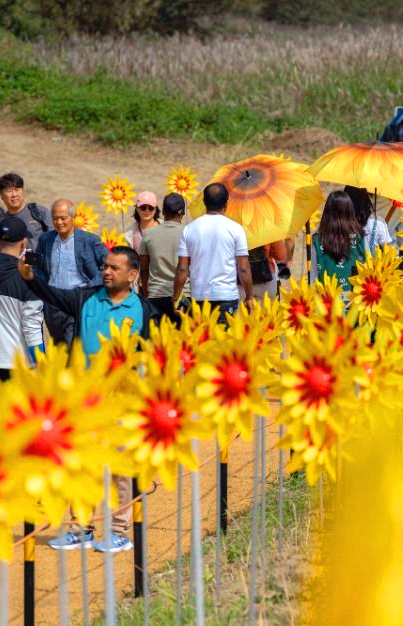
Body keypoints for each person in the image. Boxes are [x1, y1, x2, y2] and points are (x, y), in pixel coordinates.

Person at [19, 245, 153, 553]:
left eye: (114, 268)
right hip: (84, 399)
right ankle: (81, 528)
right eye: (105, 266)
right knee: (80, 465)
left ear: (132, 275)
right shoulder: (85, 300)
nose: (106, 271)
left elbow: (147, 355)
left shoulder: (143, 309)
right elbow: (51, 294)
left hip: (122, 400)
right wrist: (29, 277)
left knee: (120, 466)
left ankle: (119, 529)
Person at [0, 216, 45, 381]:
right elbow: (32, 328)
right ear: (24, 243)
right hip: (18, 363)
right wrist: (42, 366)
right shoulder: (28, 278)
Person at [173, 182, 253, 323]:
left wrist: (175, 297)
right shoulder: (236, 229)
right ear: (226, 203)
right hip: (227, 297)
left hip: (199, 297)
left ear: (204, 202)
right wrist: (249, 296)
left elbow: (182, 268)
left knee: (203, 341)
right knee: (224, 341)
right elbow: (243, 268)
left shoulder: (189, 229)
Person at [34, 199, 108, 346]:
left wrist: (89, 289)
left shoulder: (90, 240)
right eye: (55, 218)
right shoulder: (45, 239)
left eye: (63, 218)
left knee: (73, 346)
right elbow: (39, 268)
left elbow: (108, 264)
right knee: (59, 347)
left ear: (73, 218)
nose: (59, 222)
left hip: (78, 301)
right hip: (53, 303)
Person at [139, 192, 188, 325]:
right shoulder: (190, 233)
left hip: (156, 295)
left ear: (163, 212)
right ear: (182, 213)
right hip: (184, 296)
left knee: (159, 341)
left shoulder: (149, 236)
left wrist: (146, 293)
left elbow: (143, 269)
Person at [312, 190, 366, 295]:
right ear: (350, 211)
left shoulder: (318, 239)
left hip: (327, 297)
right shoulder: (360, 237)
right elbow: (369, 263)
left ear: (327, 212)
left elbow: (313, 273)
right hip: (356, 295)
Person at [0, 172, 50, 246]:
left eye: (17, 190)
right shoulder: (2, 221)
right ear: (1, 195)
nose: (14, 195)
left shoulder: (39, 212)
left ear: (23, 191)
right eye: (9, 191)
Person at [344, 185, 394, 253]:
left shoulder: (336, 222)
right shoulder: (378, 222)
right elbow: (389, 253)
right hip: (370, 262)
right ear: (366, 199)